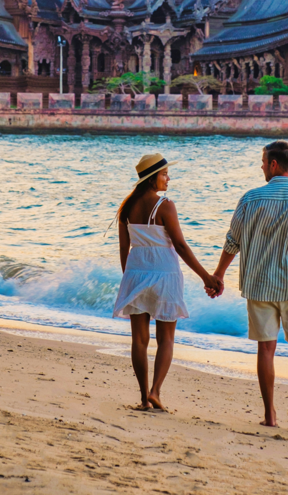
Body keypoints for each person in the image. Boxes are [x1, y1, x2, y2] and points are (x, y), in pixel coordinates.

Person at [208, 140, 288, 432]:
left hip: (259, 285)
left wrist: (218, 275)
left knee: (266, 348)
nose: (262, 166)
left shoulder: (250, 199)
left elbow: (232, 242)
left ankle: (270, 414)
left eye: (263, 162)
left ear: (274, 164)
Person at [113, 152, 222, 411]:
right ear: (152, 179)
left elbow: (123, 248)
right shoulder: (165, 206)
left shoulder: (126, 207)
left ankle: (143, 398)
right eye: (164, 174)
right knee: (166, 339)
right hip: (165, 274)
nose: (168, 178)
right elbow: (181, 246)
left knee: (139, 340)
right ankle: (156, 392)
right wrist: (207, 276)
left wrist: (129, 277)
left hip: (136, 272)